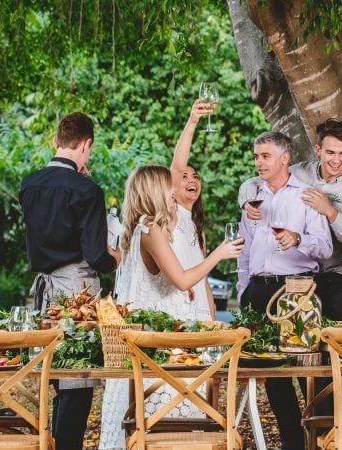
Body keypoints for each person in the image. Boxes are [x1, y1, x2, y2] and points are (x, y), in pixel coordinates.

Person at [98, 165, 243, 450]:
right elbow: (181, 279)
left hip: (150, 343)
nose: (174, 191)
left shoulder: (139, 228)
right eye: (169, 187)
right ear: (155, 192)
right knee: (172, 428)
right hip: (161, 349)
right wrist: (219, 254)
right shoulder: (151, 229)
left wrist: (182, 289)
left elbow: (163, 280)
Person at [19, 112, 120, 450]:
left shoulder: (29, 184)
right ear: (87, 144)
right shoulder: (87, 190)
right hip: (77, 288)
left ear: (57, 141)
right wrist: (115, 258)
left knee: (57, 374)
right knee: (79, 376)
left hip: (45, 289)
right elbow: (95, 254)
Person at [238, 131, 332, 450]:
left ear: (284, 158)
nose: (258, 162)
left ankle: (319, 440)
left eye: (265, 156)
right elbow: (245, 252)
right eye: (256, 156)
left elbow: (326, 247)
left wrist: (298, 239)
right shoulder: (252, 199)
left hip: (298, 290)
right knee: (273, 372)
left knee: (309, 369)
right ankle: (292, 442)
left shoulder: (307, 195)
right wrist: (243, 292)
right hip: (259, 290)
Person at [239, 119, 342, 319]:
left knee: (334, 339)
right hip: (307, 278)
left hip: (341, 278)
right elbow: (259, 179)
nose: (336, 160)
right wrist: (246, 201)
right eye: (330, 153)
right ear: (318, 150)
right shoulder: (300, 172)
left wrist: (330, 211)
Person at [168, 99, 218, 319]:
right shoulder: (169, 215)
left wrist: (212, 316)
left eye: (196, 176)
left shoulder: (199, 229)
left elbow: (203, 277)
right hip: (178, 307)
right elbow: (177, 167)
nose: (192, 180)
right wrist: (192, 122)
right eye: (185, 177)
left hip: (201, 311)